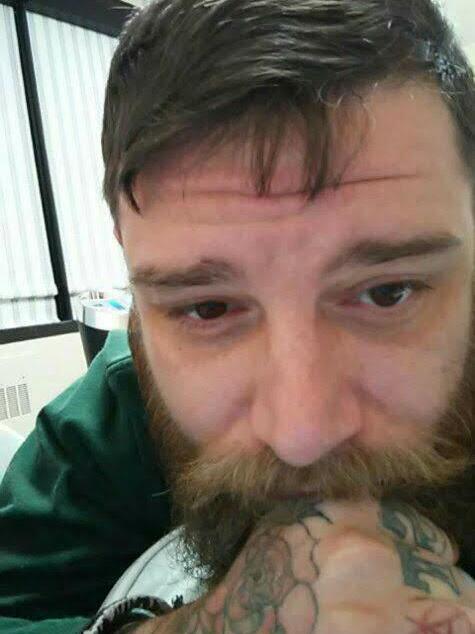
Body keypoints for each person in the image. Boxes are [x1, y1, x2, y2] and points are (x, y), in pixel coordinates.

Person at [1, 0, 474, 632]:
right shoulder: (110, 417)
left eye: (388, 292)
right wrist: (202, 626)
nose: (302, 436)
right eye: (208, 308)